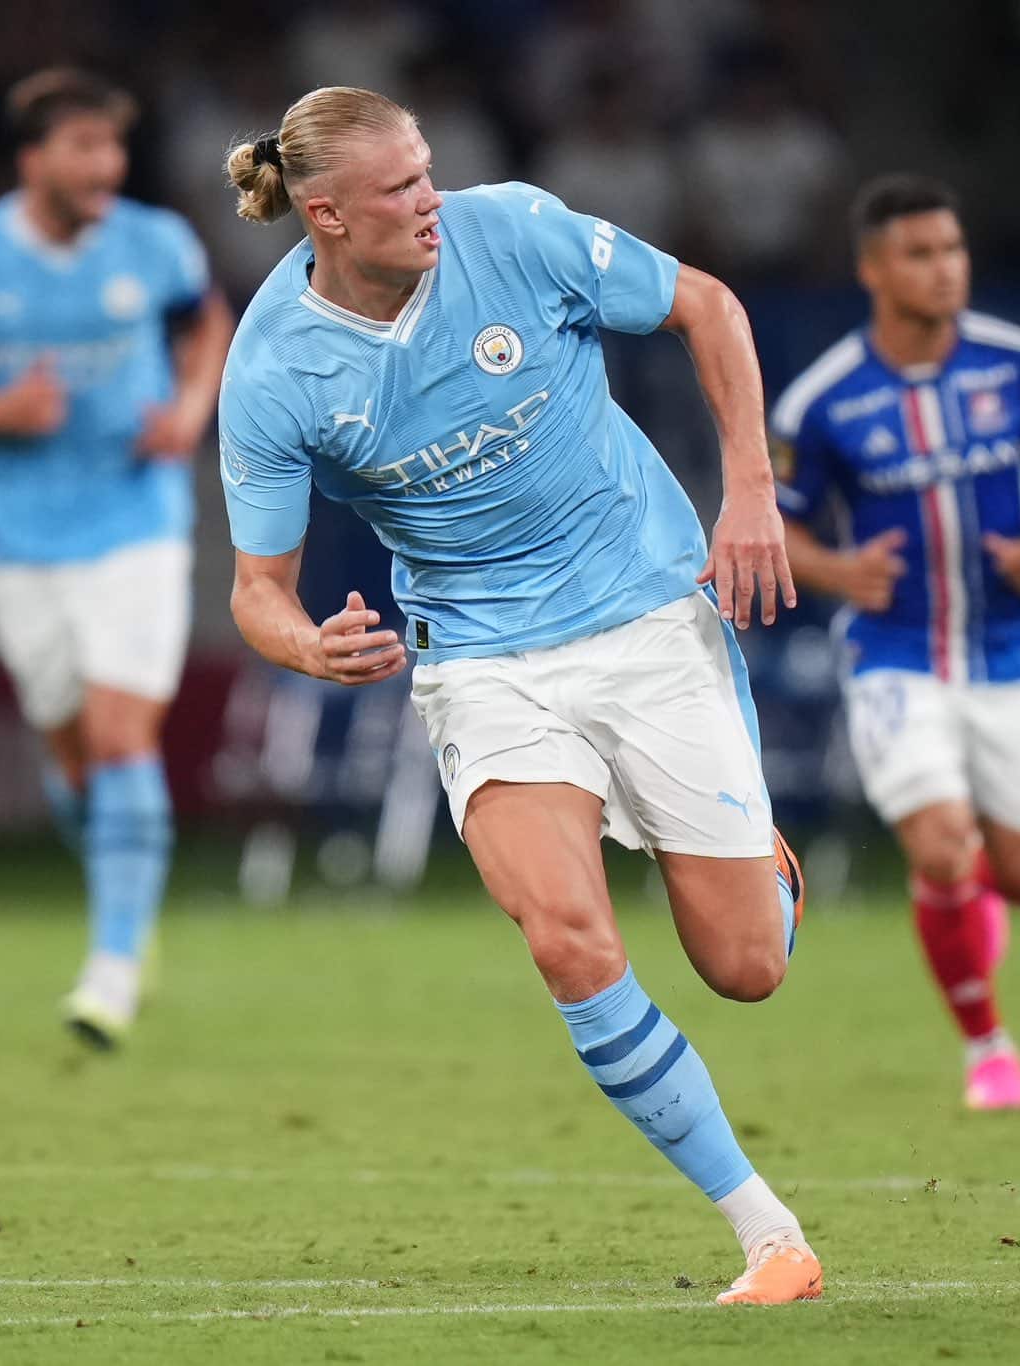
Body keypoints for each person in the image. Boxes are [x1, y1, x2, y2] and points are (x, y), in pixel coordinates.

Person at [216, 86, 820, 1305]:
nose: (429, 199)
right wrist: (307, 648)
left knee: (744, 966)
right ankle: (768, 1236)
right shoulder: (275, 368)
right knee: (564, 936)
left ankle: (762, 863)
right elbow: (254, 591)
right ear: (324, 215)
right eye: (399, 189)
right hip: (482, 663)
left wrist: (747, 485)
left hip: (647, 614)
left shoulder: (517, 231)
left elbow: (706, 304)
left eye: (429, 170)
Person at [0, 68, 234, 1048]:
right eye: (81, 147)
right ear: (33, 160)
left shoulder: (154, 243)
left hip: (136, 523)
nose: (103, 165)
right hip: (18, 538)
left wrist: (190, 413)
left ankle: (113, 964)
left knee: (120, 738)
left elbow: (208, 326)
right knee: (71, 754)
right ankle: (124, 902)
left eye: (112, 147)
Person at [771, 175, 1020, 1112]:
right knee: (944, 847)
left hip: (1014, 650)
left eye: (952, 249)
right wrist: (835, 571)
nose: (945, 268)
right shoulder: (821, 403)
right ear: (874, 270)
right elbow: (775, 526)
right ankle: (987, 1046)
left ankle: (970, 904)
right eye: (920, 253)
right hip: (895, 654)